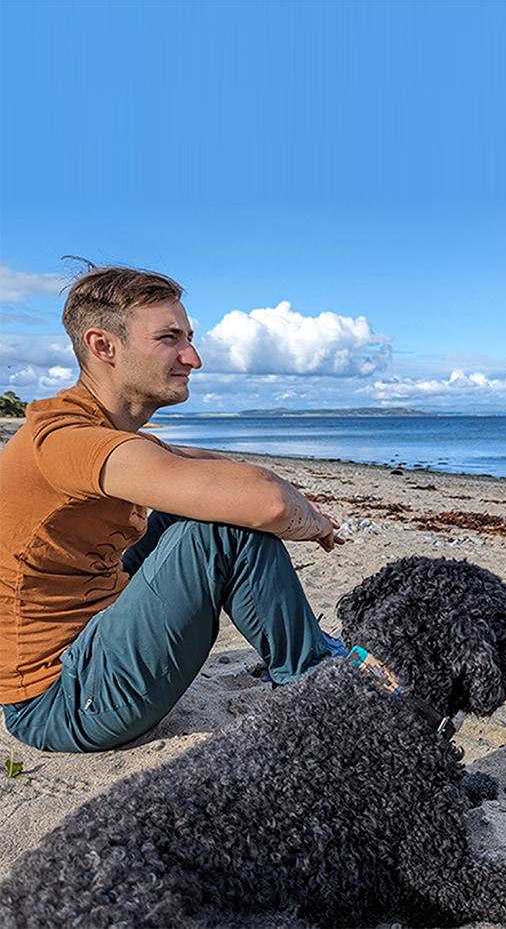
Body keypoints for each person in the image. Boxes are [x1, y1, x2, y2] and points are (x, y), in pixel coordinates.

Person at [0, 266, 345, 752]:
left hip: (97, 638)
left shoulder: (98, 431)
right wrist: (309, 522)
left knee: (198, 509)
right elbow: (263, 503)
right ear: (103, 346)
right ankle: (318, 687)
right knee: (222, 529)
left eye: (189, 337)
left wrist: (287, 494)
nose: (193, 357)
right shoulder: (67, 441)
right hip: (64, 699)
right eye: (169, 338)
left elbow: (203, 464)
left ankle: (307, 660)